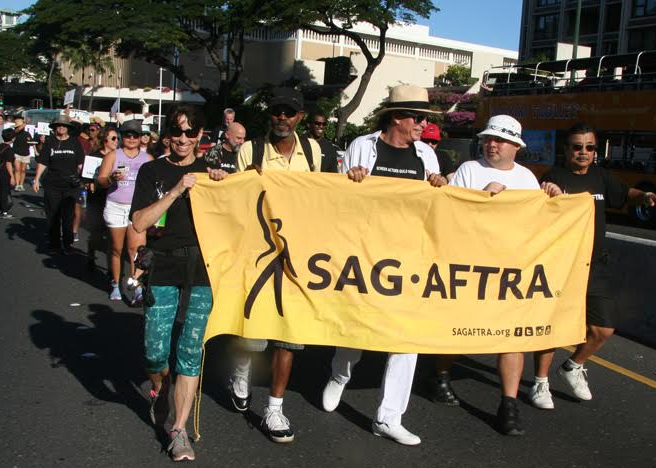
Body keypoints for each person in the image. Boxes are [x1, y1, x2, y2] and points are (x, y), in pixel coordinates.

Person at [321, 84, 445, 446]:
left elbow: (433, 207)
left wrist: (438, 184)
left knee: (407, 337)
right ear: (396, 118)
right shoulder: (364, 145)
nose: (423, 124)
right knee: (356, 327)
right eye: (418, 117)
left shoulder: (426, 156)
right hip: (366, 253)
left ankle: (389, 417)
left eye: (425, 118)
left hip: (410, 256)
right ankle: (340, 376)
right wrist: (353, 181)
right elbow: (340, 199)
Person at [436, 114, 554, 437]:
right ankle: (442, 375)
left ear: (516, 145)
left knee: (512, 334)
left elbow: (539, 222)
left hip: (511, 269)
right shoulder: (470, 171)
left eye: (499, 140)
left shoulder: (529, 178)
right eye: (488, 139)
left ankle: (508, 405)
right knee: (456, 328)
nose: (491, 144)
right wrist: (482, 197)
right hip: (470, 264)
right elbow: (451, 216)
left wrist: (555, 198)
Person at [531, 123, 656, 409]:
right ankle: (540, 383)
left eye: (589, 147)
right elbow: (543, 209)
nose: (583, 152)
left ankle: (573, 366)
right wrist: (548, 192)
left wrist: (645, 196)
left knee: (603, 329)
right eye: (577, 147)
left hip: (595, 265)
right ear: (566, 150)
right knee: (555, 327)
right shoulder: (555, 177)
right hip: (562, 265)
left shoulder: (601, 176)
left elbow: (625, 194)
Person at [131, 105, 229, 462]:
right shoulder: (151, 170)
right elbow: (140, 223)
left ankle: (179, 430)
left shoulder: (212, 173)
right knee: (155, 351)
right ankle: (161, 385)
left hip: (203, 270)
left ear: (201, 136)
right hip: (163, 266)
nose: (183, 139)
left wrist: (221, 184)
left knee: (189, 351)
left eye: (190, 132)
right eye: (177, 131)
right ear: (167, 134)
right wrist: (175, 191)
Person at [229, 87, 322, 444]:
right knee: (253, 332)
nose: (282, 118)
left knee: (289, 335)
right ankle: (241, 370)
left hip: (298, 257)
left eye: (290, 112)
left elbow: (330, 197)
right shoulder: (249, 150)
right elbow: (235, 202)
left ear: (300, 117)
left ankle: (274, 407)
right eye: (277, 112)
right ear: (270, 115)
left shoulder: (314, 152)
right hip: (257, 253)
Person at [96, 120, 153, 302]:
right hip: (115, 206)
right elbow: (101, 180)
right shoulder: (113, 156)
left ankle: (136, 285)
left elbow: (155, 185)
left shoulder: (147, 158)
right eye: (127, 134)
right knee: (116, 248)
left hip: (138, 209)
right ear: (122, 136)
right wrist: (112, 179)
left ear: (140, 137)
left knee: (136, 251)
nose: (131, 138)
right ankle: (115, 283)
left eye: (135, 135)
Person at [33, 116, 86, 255]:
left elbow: (81, 163)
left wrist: (82, 177)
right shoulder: (50, 142)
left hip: (70, 185)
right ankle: (54, 244)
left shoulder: (75, 143)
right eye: (58, 125)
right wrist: (36, 179)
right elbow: (43, 162)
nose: (61, 128)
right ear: (55, 127)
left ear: (68, 128)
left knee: (68, 216)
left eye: (64, 125)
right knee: (53, 215)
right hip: (52, 184)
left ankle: (68, 244)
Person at [85, 126, 119, 269]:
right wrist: (89, 183)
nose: (116, 141)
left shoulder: (119, 157)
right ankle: (91, 252)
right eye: (113, 138)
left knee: (111, 237)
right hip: (97, 199)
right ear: (105, 139)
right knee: (96, 234)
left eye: (117, 138)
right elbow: (86, 178)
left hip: (113, 198)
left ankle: (111, 268)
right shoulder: (94, 156)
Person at [12, 115, 32, 192]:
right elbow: (17, 130)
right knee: (17, 169)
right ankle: (17, 185)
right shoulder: (15, 132)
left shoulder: (27, 134)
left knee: (23, 170)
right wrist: (25, 123)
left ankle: (21, 184)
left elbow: (31, 142)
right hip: (16, 153)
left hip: (26, 154)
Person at [0, 128, 16, 219]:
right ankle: (4, 212)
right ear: (13, 138)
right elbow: (8, 163)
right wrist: (12, 177)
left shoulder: (1, 146)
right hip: (4, 173)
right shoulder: (9, 149)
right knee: (4, 192)